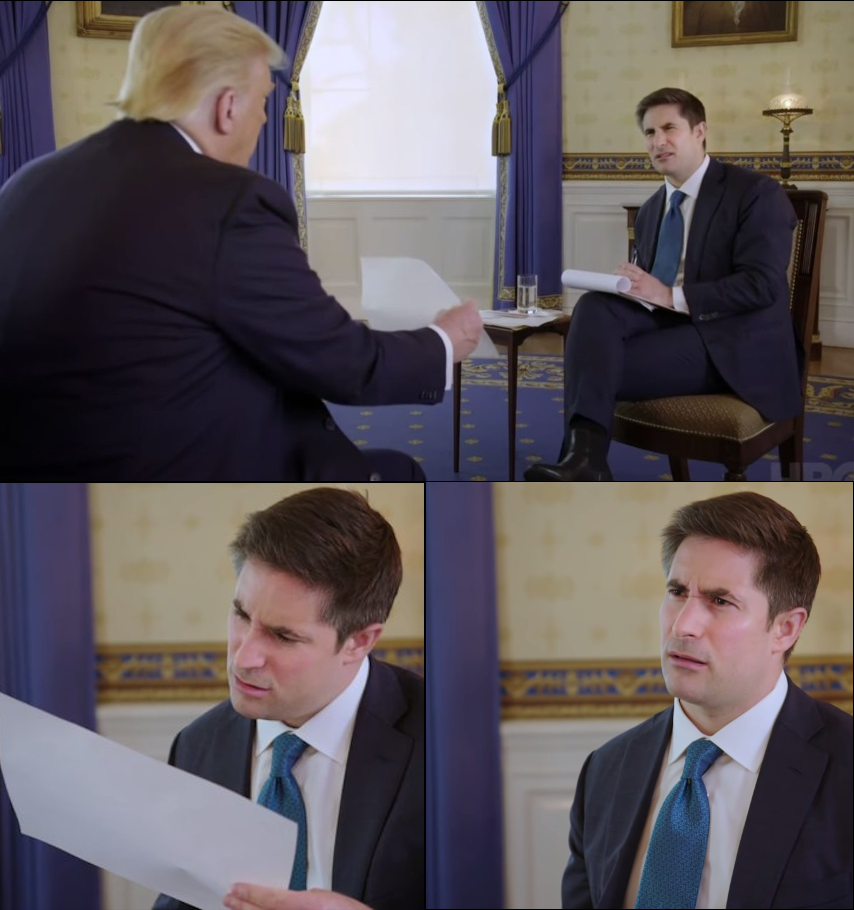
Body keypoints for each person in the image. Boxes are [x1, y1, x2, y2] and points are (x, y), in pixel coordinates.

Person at [0, 5, 482, 481]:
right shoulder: (228, 202)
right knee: (402, 476)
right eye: (264, 102)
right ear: (227, 107)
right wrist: (442, 341)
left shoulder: (26, 184)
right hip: (180, 468)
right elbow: (341, 363)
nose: (266, 119)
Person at [561, 491, 852, 909]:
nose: (684, 624)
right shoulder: (605, 770)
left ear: (786, 628)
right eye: (677, 592)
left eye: (720, 601)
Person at [151, 487, 423, 910]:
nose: (244, 657)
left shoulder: (438, 740)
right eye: (241, 615)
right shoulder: (196, 746)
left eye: (283, 635)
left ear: (359, 641)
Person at [525, 88, 800, 482]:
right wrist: (631, 287)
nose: (658, 141)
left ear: (700, 131)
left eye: (670, 128)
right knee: (593, 308)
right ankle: (584, 461)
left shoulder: (754, 193)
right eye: (650, 132)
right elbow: (653, 290)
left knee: (591, 364)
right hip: (673, 331)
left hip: (735, 343)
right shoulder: (653, 208)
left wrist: (669, 294)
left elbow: (763, 285)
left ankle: (583, 460)